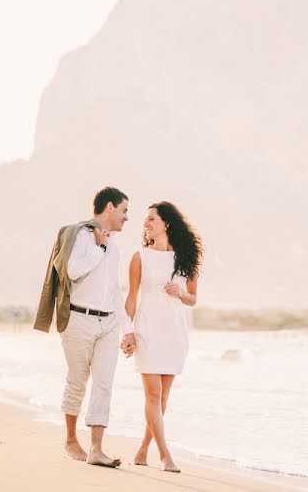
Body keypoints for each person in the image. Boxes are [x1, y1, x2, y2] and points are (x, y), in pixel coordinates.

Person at [33, 186, 136, 468]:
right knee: (78, 381)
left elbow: (115, 292)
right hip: (78, 319)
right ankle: (70, 440)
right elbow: (72, 270)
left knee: (104, 383)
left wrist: (128, 329)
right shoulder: (80, 235)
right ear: (110, 207)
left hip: (108, 323)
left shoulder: (114, 246)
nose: (127, 217)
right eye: (125, 211)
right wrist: (98, 247)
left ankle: (96, 449)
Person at [124, 201, 202, 473]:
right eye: (146, 220)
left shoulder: (186, 257)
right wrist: (128, 331)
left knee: (163, 397)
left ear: (166, 223)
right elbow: (131, 297)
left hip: (174, 332)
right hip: (147, 330)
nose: (146, 223)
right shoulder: (139, 257)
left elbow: (193, 297)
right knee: (153, 394)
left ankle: (143, 449)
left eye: (151, 219)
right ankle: (165, 455)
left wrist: (181, 294)